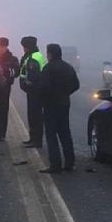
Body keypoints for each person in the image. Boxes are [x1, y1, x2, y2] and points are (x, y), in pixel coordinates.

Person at [38, 43, 80, 174]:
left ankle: (55, 165)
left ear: (50, 53)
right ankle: (70, 163)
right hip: (64, 103)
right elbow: (76, 85)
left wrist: (43, 98)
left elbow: (44, 87)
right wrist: (65, 93)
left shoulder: (48, 68)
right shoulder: (68, 67)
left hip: (50, 105)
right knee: (65, 133)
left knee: (51, 135)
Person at [18, 36, 47, 148]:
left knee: (35, 117)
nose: (23, 49)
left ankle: (36, 140)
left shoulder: (33, 58)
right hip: (34, 91)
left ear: (28, 46)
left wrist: (28, 83)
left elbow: (33, 75)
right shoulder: (33, 55)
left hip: (35, 92)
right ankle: (33, 139)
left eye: (24, 47)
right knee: (33, 116)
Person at [0, 37, 20, 142]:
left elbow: (16, 72)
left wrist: (5, 71)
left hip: (4, 87)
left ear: (6, 46)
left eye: (2, 46)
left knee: (3, 110)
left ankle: (1, 134)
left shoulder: (12, 59)